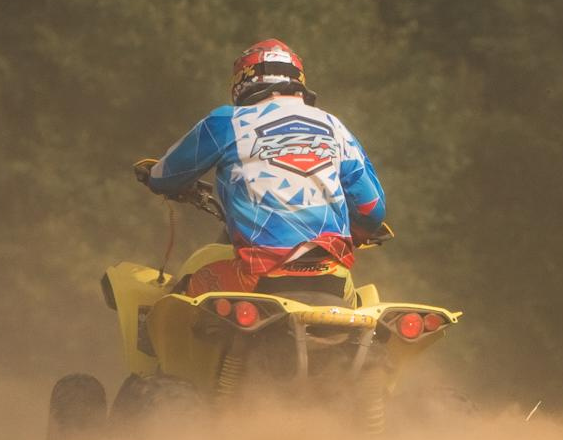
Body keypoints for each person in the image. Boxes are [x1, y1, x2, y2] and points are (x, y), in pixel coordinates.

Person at [139, 39, 386, 296]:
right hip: (334, 278)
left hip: (257, 275)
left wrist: (152, 177)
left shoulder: (227, 121)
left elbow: (166, 177)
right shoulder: (334, 126)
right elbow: (372, 209)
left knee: (179, 299)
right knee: (363, 311)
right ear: (299, 80)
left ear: (241, 81)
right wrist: (359, 231)